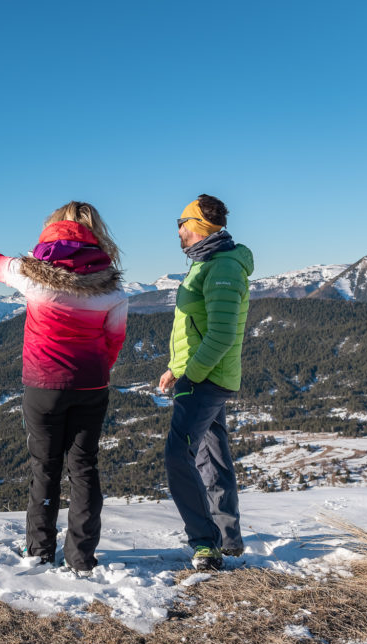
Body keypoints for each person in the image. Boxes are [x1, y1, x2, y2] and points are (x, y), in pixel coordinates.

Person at [0, 201, 128, 575]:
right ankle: (81, 557)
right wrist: (94, 372)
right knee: (84, 468)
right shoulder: (111, 289)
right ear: (96, 234)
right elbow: (114, 341)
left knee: (44, 468)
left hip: (43, 385)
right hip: (92, 386)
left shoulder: (33, 275)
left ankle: (40, 551)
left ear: (53, 231)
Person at [158, 194, 254, 570]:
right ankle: (227, 539)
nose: (178, 232)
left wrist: (190, 378)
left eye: (180, 224)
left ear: (195, 226)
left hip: (206, 380)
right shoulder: (209, 264)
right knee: (211, 455)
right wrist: (175, 366)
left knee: (177, 455)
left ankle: (205, 544)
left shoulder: (223, 268)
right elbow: (194, 329)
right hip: (203, 376)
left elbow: (221, 335)